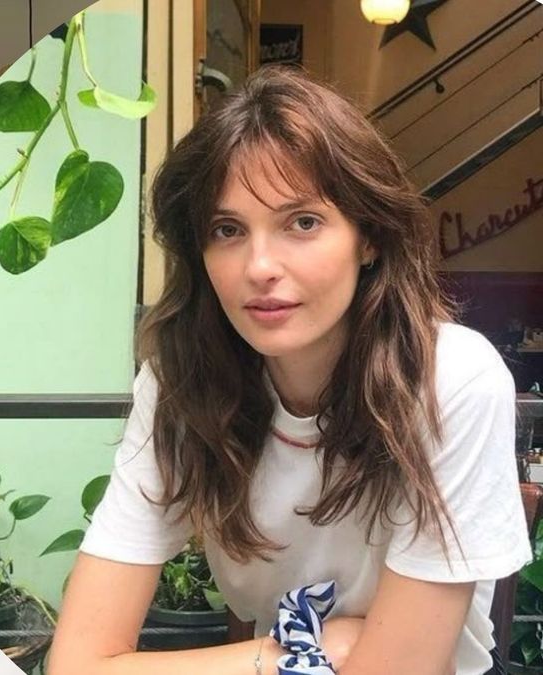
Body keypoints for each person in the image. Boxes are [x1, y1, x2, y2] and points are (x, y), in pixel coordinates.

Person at [48, 66, 531, 675]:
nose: (260, 267)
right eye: (227, 230)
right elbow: (77, 663)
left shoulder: (449, 378)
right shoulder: (183, 382)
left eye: (302, 222)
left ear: (369, 237)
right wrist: (288, 652)